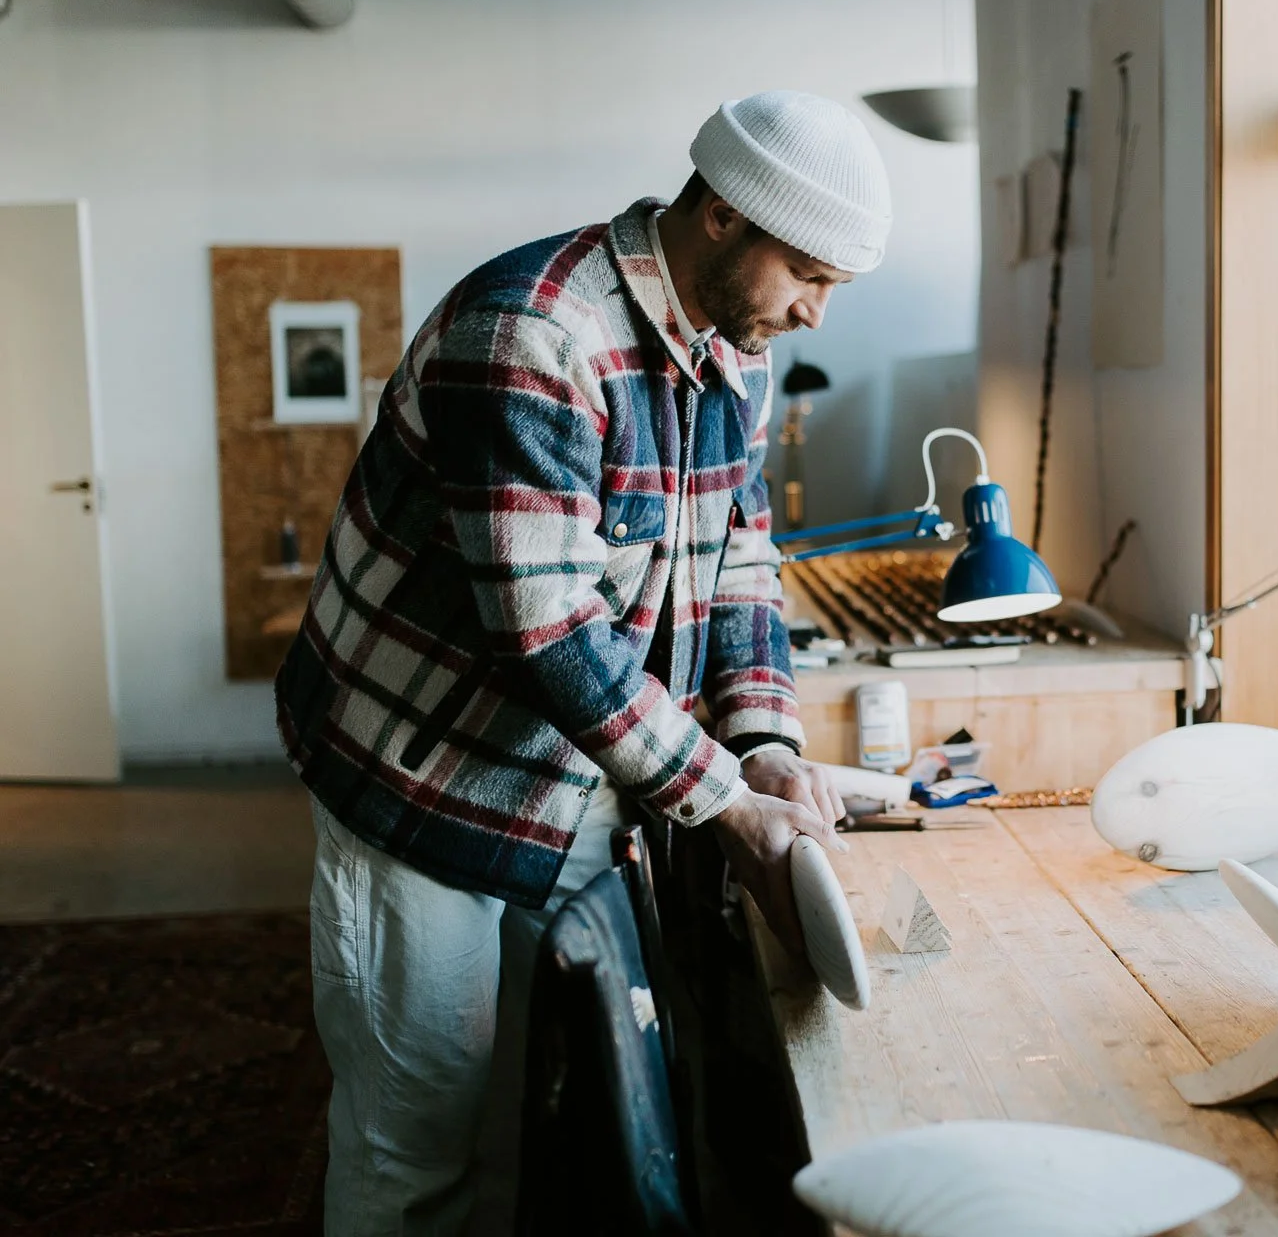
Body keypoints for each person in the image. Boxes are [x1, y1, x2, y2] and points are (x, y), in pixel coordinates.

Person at [274, 89, 890, 1234]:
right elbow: (549, 629)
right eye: (808, 274)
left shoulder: (731, 354)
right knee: (414, 1150)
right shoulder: (533, 333)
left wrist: (764, 743)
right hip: (424, 789)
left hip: (574, 785)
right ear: (722, 216)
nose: (814, 313)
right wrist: (724, 804)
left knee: (525, 1117)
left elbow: (741, 558)